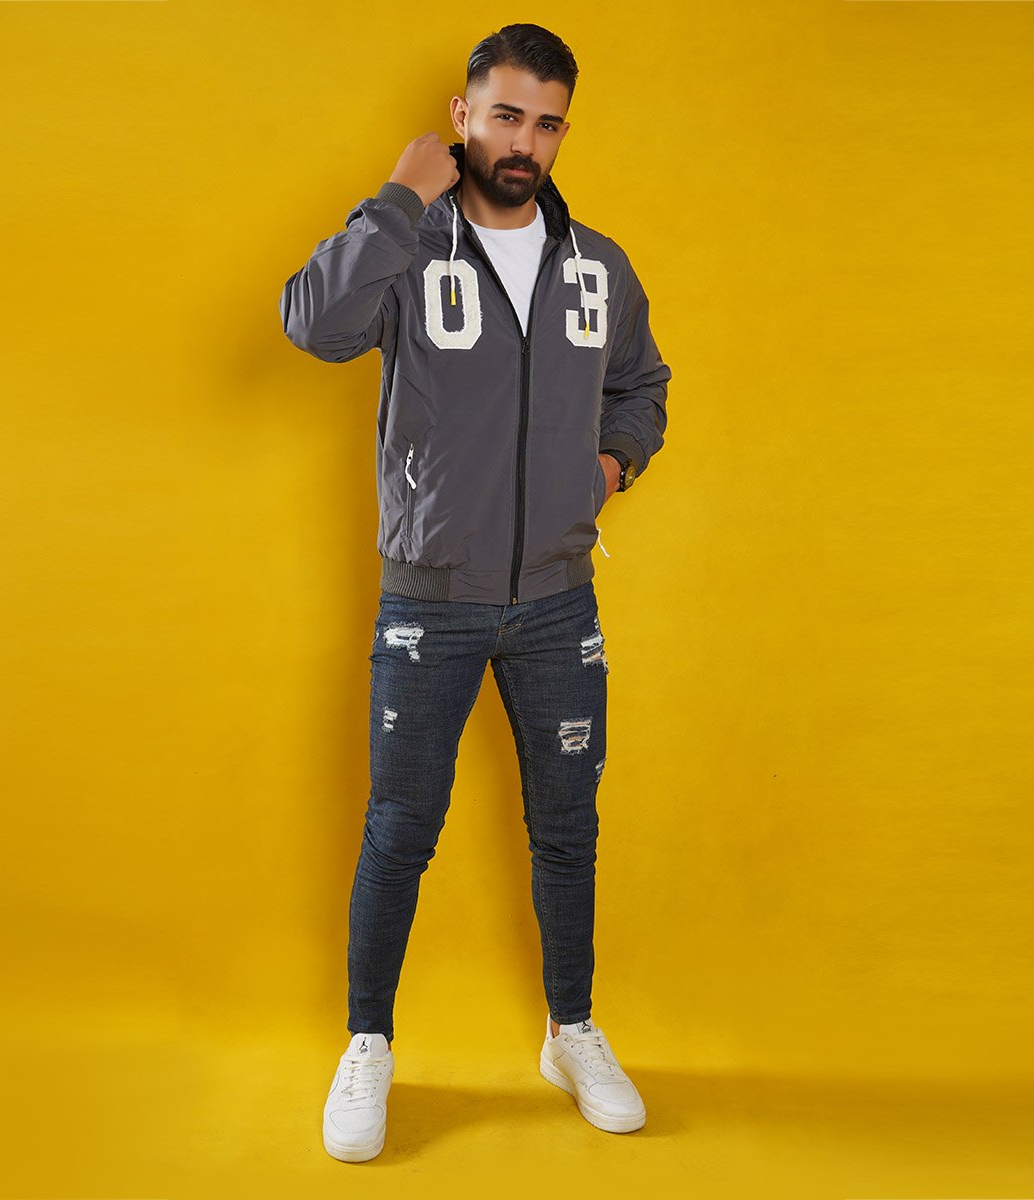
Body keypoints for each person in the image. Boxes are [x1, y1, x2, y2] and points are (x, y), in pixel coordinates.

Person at [280, 23, 670, 1163]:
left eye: (547, 124)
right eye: (505, 116)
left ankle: (571, 1030)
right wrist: (398, 198)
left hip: (556, 601)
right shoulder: (410, 247)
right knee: (400, 828)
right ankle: (368, 1044)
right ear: (462, 117)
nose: (524, 143)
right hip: (431, 602)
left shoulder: (598, 266)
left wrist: (609, 468)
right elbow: (313, 325)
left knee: (567, 827)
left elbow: (642, 386)